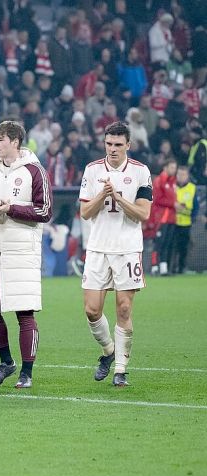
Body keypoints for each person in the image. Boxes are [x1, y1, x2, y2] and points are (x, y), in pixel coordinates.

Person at [0, 121, 53, 389]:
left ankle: (27, 372)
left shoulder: (35, 171)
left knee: (24, 313)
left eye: (1, 139)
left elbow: (45, 212)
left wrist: (12, 208)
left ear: (16, 141)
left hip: (23, 250)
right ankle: (7, 362)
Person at [79, 121, 152, 387]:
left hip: (128, 248)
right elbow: (85, 213)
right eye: (109, 144)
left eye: (118, 145)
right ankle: (109, 351)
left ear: (128, 146)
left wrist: (120, 199)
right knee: (91, 310)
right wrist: (102, 195)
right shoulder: (92, 170)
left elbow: (144, 213)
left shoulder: (141, 172)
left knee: (123, 308)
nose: (112, 149)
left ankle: (121, 370)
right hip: (98, 247)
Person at [173, 166, 195, 274]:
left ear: (187, 176)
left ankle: (181, 268)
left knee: (183, 247)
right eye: (179, 174)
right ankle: (170, 268)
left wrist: (193, 218)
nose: (181, 177)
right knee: (172, 246)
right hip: (172, 222)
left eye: (183, 175)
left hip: (186, 223)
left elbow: (195, 207)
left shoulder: (192, 188)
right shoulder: (172, 186)